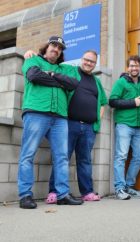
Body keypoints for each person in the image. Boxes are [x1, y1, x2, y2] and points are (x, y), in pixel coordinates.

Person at [24, 49, 108, 203]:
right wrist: (34, 53)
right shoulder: (70, 70)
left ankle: (87, 192)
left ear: (95, 64)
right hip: (69, 123)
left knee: (84, 160)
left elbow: (103, 102)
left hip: (89, 127)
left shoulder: (96, 81)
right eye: (86, 60)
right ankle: (54, 192)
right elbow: (51, 62)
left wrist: (97, 120)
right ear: (81, 59)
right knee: (62, 157)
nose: (89, 63)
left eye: (92, 62)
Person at [18, 36, 83, 209]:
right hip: (36, 112)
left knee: (62, 157)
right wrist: (60, 82)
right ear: (46, 47)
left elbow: (74, 83)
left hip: (60, 117)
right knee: (28, 154)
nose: (56, 49)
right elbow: (33, 75)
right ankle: (25, 195)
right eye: (54, 45)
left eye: (60, 48)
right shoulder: (33, 60)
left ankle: (62, 194)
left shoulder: (65, 69)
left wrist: (52, 74)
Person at [109, 55, 140, 200]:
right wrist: (132, 102)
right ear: (128, 67)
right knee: (121, 156)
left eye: (136, 66)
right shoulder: (121, 82)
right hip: (124, 125)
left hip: (139, 127)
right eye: (131, 65)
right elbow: (112, 101)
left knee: (138, 157)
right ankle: (119, 188)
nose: (134, 68)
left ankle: (129, 186)